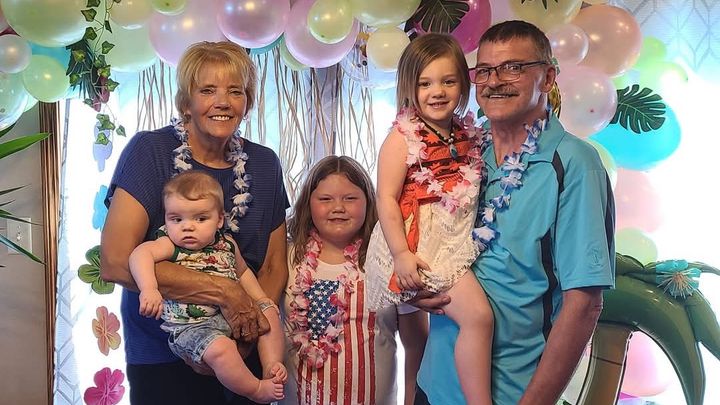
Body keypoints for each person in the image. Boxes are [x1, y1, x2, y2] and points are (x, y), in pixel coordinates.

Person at [413, 21, 616, 405]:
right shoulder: (462, 153)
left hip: (510, 393)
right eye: (485, 70)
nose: (495, 81)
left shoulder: (573, 164)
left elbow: (584, 304)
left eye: (513, 68)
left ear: (548, 77)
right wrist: (415, 290)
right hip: (432, 385)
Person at [101, 41, 290, 405]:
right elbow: (116, 261)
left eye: (235, 91)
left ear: (247, 102)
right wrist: (225, 292)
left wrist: (246, 333)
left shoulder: (265, 163)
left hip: (246, 350)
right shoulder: (150, 152)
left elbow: (272, 266)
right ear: (186, 101)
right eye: (207, 90)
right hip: (163, 354)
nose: (223, 102)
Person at [364, 33, 493, 404]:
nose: (437, 91)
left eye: (448, 81)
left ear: (463, 84)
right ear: (410, 87)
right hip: (419, 247)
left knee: (420, 344)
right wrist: (401, 254)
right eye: (425, 83)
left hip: (453, 237)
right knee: (478, 318)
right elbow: (386, 199)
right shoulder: (401, 138)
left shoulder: (468, 134)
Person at [281, 155, 428, 405]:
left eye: (350, 198)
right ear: (308, 203)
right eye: (325, 199)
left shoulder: (390, 260)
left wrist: (410, 400)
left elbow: (416, 344)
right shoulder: (287, 257)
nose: (338, 207)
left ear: (369, 202)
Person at [129, 171, 286, 403]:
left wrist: (261, 300)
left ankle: (272, 365)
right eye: (176, 219)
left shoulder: (227, 244)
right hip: (193, 328)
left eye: (200, 219)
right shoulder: (170, 244)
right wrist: (149, 288)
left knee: (269, 311)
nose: (187, 227)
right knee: (222, 350)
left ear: (219, 220)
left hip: (231, 318)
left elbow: (243, 272)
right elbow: (139, 254)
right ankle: (256, 389)